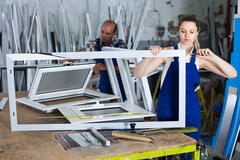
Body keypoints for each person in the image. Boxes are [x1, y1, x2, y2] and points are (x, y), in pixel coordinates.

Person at [134, 16, 237, 142]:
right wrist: (151, 55)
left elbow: (232, 74)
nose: (187, 35)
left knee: (189, 148)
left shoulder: (199, 57)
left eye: (191, 32)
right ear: (178, 32)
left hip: (190, 111)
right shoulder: (168, 53)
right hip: (167, 109)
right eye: (183, 31)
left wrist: (213, 56)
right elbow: (138, 73)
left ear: (197, 33)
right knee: (166, 150)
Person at [83, 20, 127, 101]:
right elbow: (81, 52)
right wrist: (67, 59)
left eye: (107, 33)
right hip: (104, 88)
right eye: (102, 32)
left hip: (121, 89)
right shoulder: (96, 44)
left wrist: (106, 67)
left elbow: (125, 69)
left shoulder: (120, 45)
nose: (103, 35)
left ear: (114, 34)